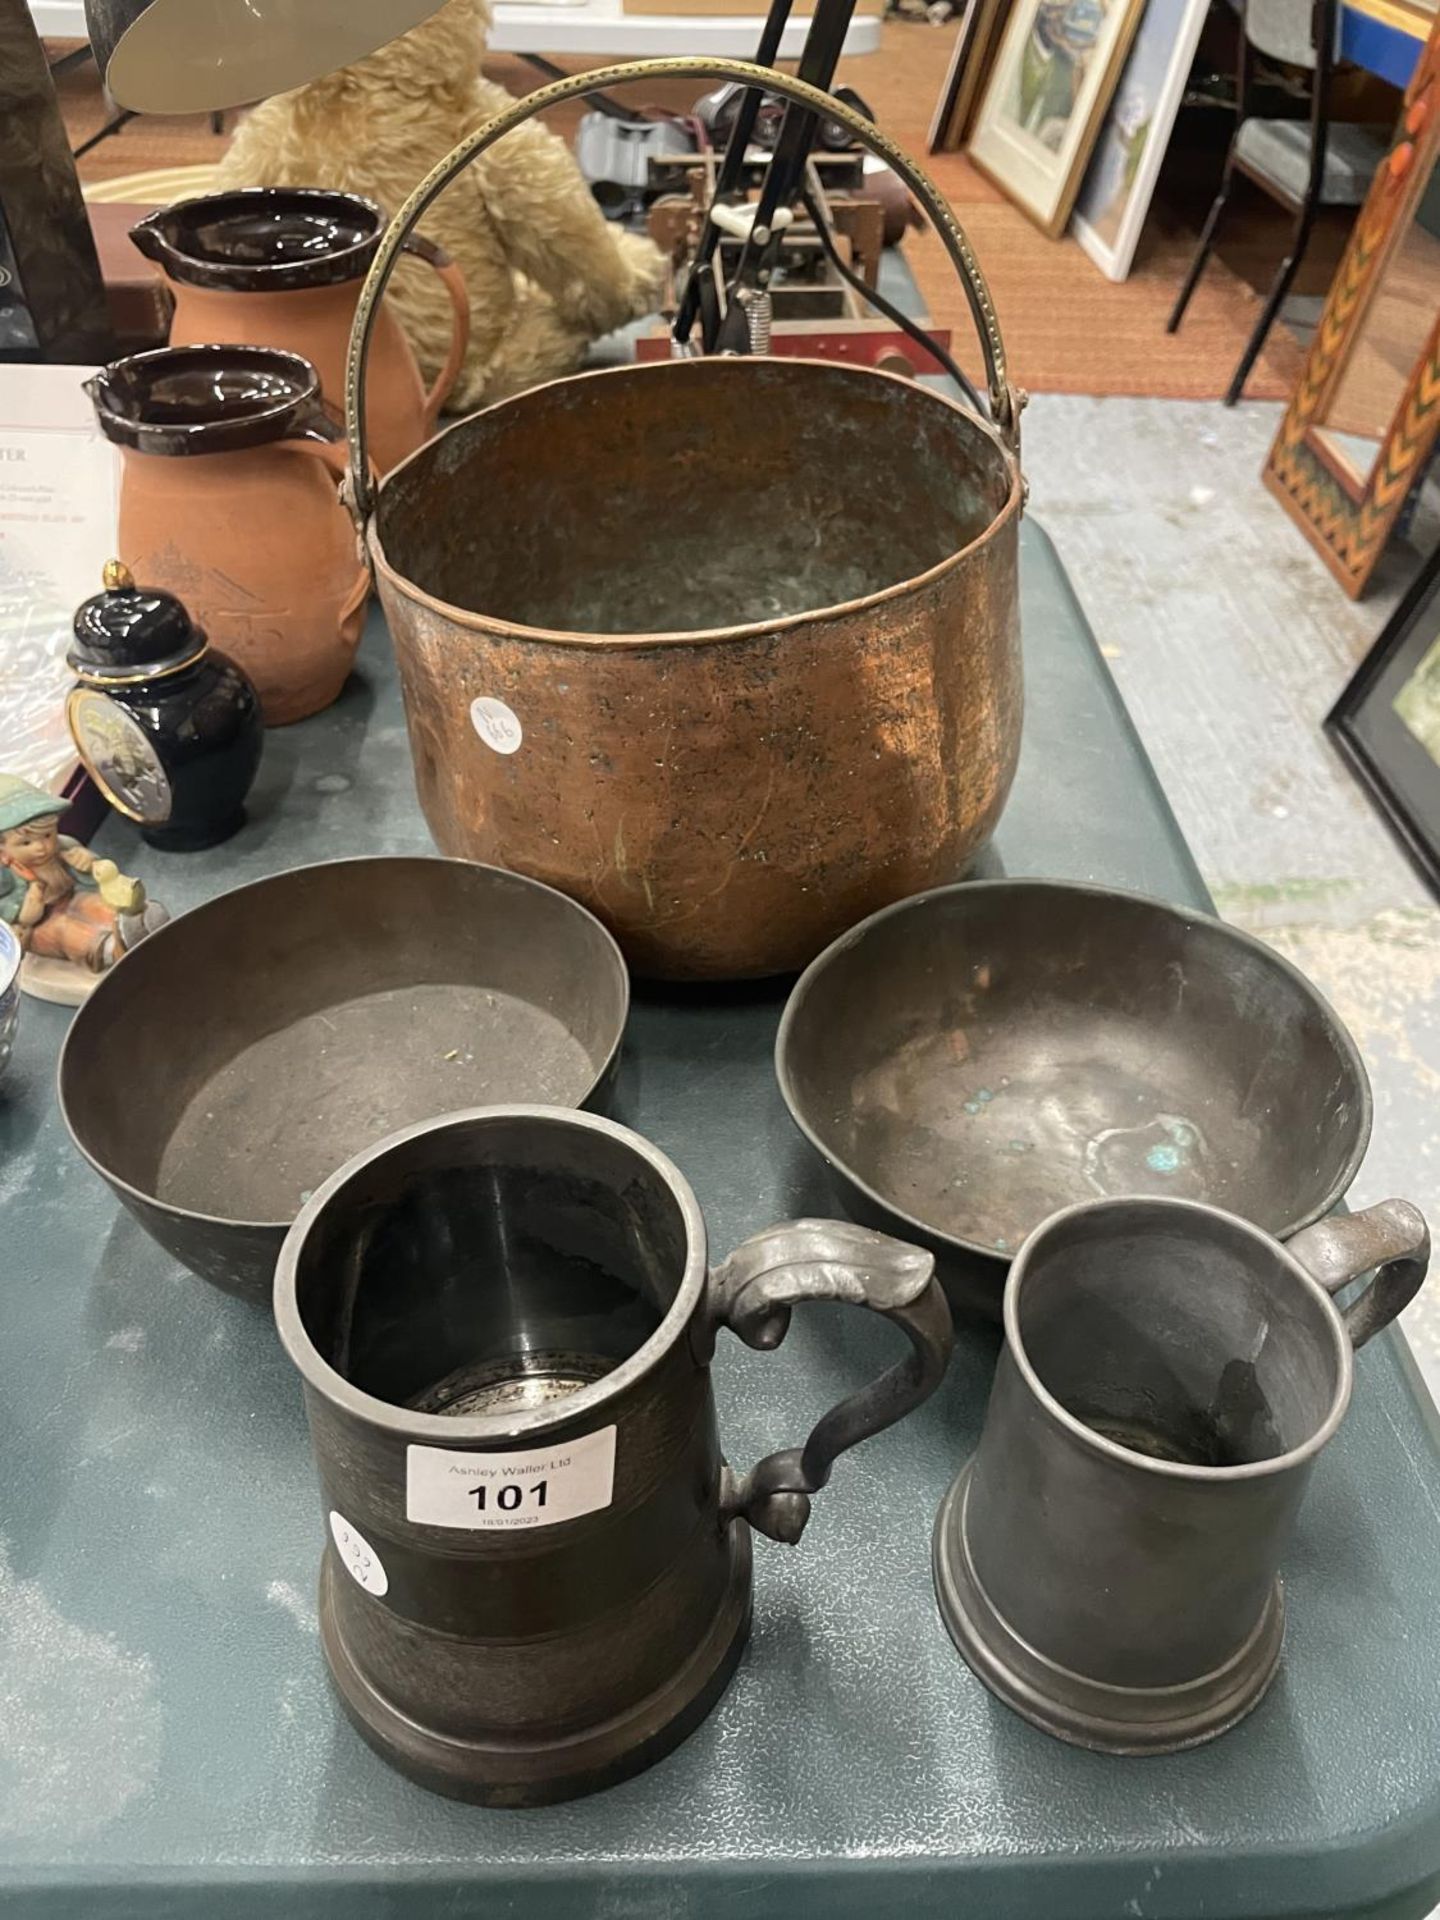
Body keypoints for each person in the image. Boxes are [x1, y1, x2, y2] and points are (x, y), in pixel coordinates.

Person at [0, 776, 167, 974]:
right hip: (39, 927)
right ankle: (111, 951)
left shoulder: (63, 847)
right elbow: (11, 918)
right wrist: (30, 905)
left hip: (71, 899)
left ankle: (137, 924)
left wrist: (87, 862)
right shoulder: (6, 878)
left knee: (98, 905)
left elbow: (92, 873)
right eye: (26, 843)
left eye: (47, 835)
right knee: (68, 930)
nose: (42, 847)